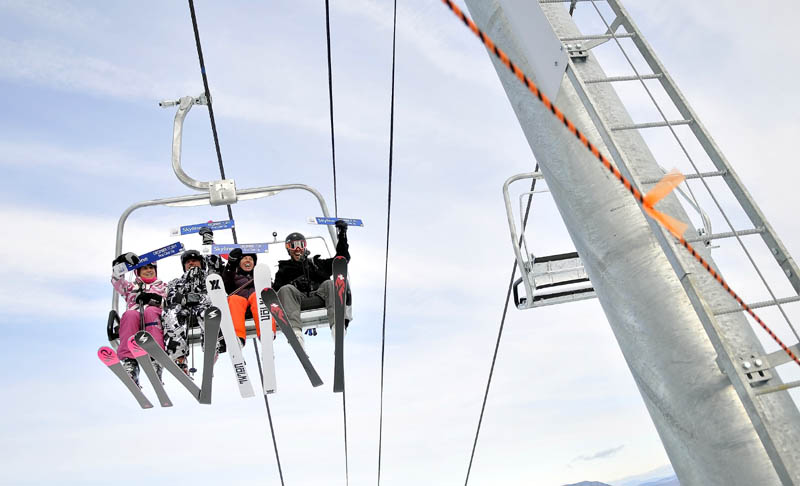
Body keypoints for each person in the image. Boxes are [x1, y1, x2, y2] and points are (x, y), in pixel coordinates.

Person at [273, 220, 350, 347]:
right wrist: (293, 285)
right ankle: (296, 333)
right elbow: (277, 291)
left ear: (305, 246)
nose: (297, 249)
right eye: (293, 245)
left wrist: (342, 234)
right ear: (288, 249)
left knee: (330, 284)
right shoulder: (284, 270)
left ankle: (337, 326)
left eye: (300, 245)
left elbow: (342, 259)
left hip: (320, 297)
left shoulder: (316, 264)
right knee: (286, 289)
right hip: (298, 302)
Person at [162, 227, 223, 375]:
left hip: (204, 307)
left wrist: (208, 241)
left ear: (201, 263)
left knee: (207, 312)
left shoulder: (209, 275)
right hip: (184, 313)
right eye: (188, 262)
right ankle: (179, 357)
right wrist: (182, 298)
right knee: (170, 312)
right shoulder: (176, 282)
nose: (192, 263)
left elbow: (215, 262)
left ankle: (211, 347)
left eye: (195, 260)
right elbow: (169, 298)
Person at [111, 253, 168, 386]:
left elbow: (170, 302)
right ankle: (130, 363)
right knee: (130, 315)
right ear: (138, 272)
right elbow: (117, 281)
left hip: (155, 317)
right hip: (135, 318)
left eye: (151, 268)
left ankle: (156, 359)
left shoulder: (164, 287)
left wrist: (155, 299)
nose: (148, 270)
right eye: (144, 268)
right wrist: (119, 265)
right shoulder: (131, 287)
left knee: (151, 311)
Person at [222, 248, 275, 344]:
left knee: (258, 295)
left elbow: (271, 288)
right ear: (239, 263)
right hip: (240, 304)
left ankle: (266, 331)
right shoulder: (234, 276)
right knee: (233, 299)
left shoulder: (259, 276)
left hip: (256, 303)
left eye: (250, 259)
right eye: (245, 258)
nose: (248, 261)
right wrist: (231, 264)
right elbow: (226, 283)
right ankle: (237, 337)